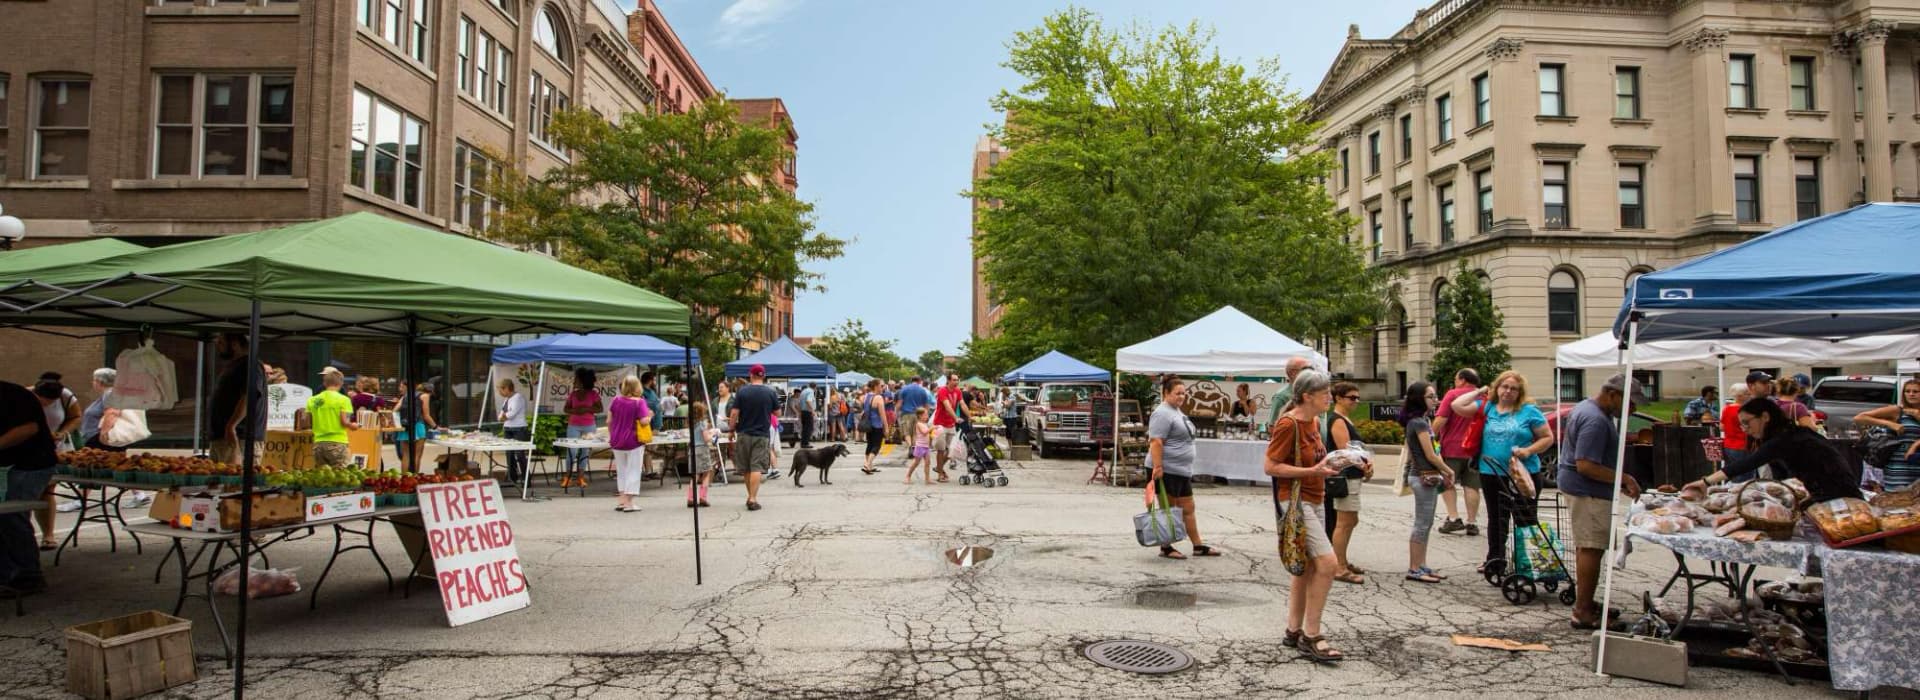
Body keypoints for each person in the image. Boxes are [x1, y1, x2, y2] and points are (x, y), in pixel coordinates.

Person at [1264, 370, 1344, 662]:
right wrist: (1312, 472)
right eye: (1325, 393)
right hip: (1296, 502)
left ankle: (1294, 629)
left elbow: (1316, 459)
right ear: (1307, 396)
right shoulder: (1290, 424)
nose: (1330, 397)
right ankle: (1312, 635)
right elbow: (1270, 466)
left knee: (1307, 566)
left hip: (1314, 498)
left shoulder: (1314, 421)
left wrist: (1345, 462)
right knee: (1328, 563)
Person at [1557, 374, 1647, 630]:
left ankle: (1586, 602)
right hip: (1588, 491)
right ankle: (1583, 611)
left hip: (1588, 489)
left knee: (1589, 547)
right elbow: (1585, 465)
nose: (1633, 409)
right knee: (1591, 548)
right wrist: (1624, 479)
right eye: (1630, 402)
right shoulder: (1595, 420)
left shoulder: (1591, 410)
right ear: (1612, 395)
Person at [1450, 370, 1552, 576]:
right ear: (1497, 388)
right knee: (1497, 518)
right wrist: (1480, 390)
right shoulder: (1487, 407)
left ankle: (1527, 562)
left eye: (1514, 389)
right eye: (1504, 387)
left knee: (1525, 519)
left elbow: (1547, 437)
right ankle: (1495, 559)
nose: (1508, 391)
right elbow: (1456, 405)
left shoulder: (1529, 411)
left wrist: (1528, 450)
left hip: (1523, 473)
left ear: (1520, 392)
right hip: (1491, 473)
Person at [1685, 397, 1863, 503]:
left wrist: (1705, 482)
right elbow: (1782, 478)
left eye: (1747, 423)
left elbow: (1748, 463)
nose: (1745, 428)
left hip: (1839, 496)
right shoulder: (1785, 436)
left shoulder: (1786, 438)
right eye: (1741, 425)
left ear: (1765, 417)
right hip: (1825, 493)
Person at [1149, 378, 1219, 559]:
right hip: (1167, 469)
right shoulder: (1162, 413)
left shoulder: (1176, 411)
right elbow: (1156, 441)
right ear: (1165, 393)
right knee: (1169, 509)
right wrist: (1158, 466)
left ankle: (1197, 545)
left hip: (1182, 470)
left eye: (1183, 393)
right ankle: (1166, 546)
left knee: (1188, 507)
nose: (1182, 396)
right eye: (1177, 393)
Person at [0, 380, 58, 597]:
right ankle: (7, 574)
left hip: (33, 463)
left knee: (12, 516)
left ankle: (28, 575)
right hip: (10, 466)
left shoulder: (10, 394)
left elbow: (29, 428)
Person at [1399, 382, 1454, 583]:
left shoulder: (1422, 421)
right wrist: (1448, 470)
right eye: (1431, 396)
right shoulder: (1419, 423)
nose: (1435, 400)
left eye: (1435, 396)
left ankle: (1421, 565)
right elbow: (1430, 454)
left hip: (1423, 475)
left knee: (1427, 522)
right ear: (1419, 399)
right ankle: (1415, 568)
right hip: (1423, 476)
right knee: (1422, 523)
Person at [1322, 381, 1372, 584]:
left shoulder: (1343, 419)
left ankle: (1340, 560)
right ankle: (1339, 566)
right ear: (1339, 398)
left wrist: (1365, 466)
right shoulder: (1337, 420)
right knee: (1344, 522)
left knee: (1350, 520)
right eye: (1352, 397)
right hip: (1345, 477)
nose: (1356, 402)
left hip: (1352, 475)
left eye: (1358, 398)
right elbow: (1345, 451)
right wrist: (1364, 465)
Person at [1432, 368, 1484, 537]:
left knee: (1447, 483)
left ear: (1462, 379)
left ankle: (1454, 518)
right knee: (1472, 486)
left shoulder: (1453, 394)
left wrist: (1429, 437)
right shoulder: (1483, 397)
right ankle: (1472, 522)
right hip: (1475, 449)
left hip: (1451, 447)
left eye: (1456, 378)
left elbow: (1441, 419)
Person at [33, 376, 78, 548]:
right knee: (28, 492)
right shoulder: (25, 396)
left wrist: (63, 432)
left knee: (47, 490)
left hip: (55, 450)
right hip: (30, 450)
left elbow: (76, 416)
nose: (47, 404)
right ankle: (24, 535)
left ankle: (48, 535)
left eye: (51, 402)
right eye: (43, 401)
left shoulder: (66, 397)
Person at [1852, 379, 1920, 491]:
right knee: (1899, 500)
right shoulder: (1897, 410)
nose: (1911, 394)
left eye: (1915, 391)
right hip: (1899, 465)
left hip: (1916, 460)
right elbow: (1859, 418)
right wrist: (1890, 424)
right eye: (1907, 391)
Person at [730, 365, 779, 511]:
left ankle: (750, 496)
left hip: (744, 434)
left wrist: (731, 430)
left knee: (746, 468)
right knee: (756, 467)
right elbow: (778, 413)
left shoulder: (742, 391)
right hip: (762, 435)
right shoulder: (770, 392)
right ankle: (752, 498)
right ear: (763, 376)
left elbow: (734, 414)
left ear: (750, 375)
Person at [608, 376, 652, 513]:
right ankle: (628, 503)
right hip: (633, 441)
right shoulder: (639, 402)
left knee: (621, 471)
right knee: (633, 470)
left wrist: (612, 435)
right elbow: (644, 421)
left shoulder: (615, 400)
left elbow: (609, 421)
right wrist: (650, 415)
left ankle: (622, 500)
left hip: (616, 440)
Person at [307, 368, 360, 468]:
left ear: (324, 383)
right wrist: (353, 426)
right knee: (340, 476)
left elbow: (309, 421)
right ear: (340, 383)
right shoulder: (344, 400)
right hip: (337, 442)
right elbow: (344, 422)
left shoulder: (312, 400)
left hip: (318, 442)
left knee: (322, 476)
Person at [560, 369, 602, 487]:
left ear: (583, 381)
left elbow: (600, 409)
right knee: (571, 451)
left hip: (589, 426)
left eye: (576, 379)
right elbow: (566, 409)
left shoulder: (593, 394)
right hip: (573, 425)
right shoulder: (573, 394)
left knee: (585, 451)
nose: (574, 381)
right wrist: (575, 411)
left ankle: (581, 478)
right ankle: (567, 478)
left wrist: (587, 409)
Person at [394, 381, 441, 473]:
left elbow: (395, 410)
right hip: (418, 426)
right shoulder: (425, 396)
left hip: (405, 426)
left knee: (406, 455)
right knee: (416, 455)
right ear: (430, 391)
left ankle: (404, 478)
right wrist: (436, 427)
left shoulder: (406, 395)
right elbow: (426, 416)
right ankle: (414, 478)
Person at [1747, 371, 1814, 429]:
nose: (1768, 385)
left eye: (1769, 382)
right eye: (1764, 383)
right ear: (1751, 386)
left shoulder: (1773, 403)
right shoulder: (1747, 407)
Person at [80, 368, 127, 453]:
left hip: (100, 441)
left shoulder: (109, 394)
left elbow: (112, 413)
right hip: (96, 439)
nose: (92, 383)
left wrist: (103, 434)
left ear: (100, 382)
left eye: (94, 380)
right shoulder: (106, 395)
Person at [1263, 357, 1314, 432]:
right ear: (1293, 373)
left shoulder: (1312, 392)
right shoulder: (1281, 396)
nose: (1310, 373)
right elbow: (1272, 427)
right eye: (1305, 370)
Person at [931, 373, 965, 481]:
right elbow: (947, 406)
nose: (956, 382)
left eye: (957, 380)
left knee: (952, 450)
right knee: (941, 450)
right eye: (954, 380)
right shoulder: (942, 391)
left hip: (950, 424)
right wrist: (956, 418)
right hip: (940, 424)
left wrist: (970, 416)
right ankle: (940, 474)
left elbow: (962, 404)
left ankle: (938, 468)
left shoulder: (958, 391)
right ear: (949, 381)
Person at [497, 379, 530, 485]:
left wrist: (504, 416)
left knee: (520, 454)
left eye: (500, 390)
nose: (500, 393)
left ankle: (526, 479)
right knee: (509, 454)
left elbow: (511, 414)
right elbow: (500, 415)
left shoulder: (518, 398)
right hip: (508, 428)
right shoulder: (506, 400)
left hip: (519, 428)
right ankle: (513, 477)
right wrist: (503, 417)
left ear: (506, 388)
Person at [686, 402, 718, 508]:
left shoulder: (690, 424)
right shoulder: (702, 423)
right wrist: (713, 434)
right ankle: (703, 497)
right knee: (706, 473)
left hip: (692, 449)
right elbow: (706, 438)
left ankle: (690, 498)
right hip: (702, 449)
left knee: (694, 475)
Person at [896, 377, 934, 461]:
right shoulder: (922, 390)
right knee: (915, 433)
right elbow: (926, 405)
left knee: (906, 433)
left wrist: (896, 413)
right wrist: (926, 415)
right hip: (918, 415)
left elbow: (899, 403)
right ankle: (913, 448)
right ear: (920, 381)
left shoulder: (904, 389)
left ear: (911, 380)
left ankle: (910, 446)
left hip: (906, 414)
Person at [857, 379, 888, 474]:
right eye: (881, 386)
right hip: (877, 425)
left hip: (868, 425)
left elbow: (864, 410)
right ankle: (867, 464)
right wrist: (886, 427)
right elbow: (882, 414)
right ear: (876, 386)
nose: (883, 388)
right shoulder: (878, 398)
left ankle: (869, 466)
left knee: (870, 445)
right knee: (876, 446)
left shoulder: (866, 396)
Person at [906, 407, 933, 485]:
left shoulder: (925, 424)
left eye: (927, 415)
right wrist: (931, 428)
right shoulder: (919, 424)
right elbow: (924, 432)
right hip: (920, 446)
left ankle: (927, 479)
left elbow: (927, 434)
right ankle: (908, 476)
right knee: (916, 463)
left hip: (926, 447)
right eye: (925, 415)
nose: (927, 416)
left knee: (928, 462)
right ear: (920, 416)